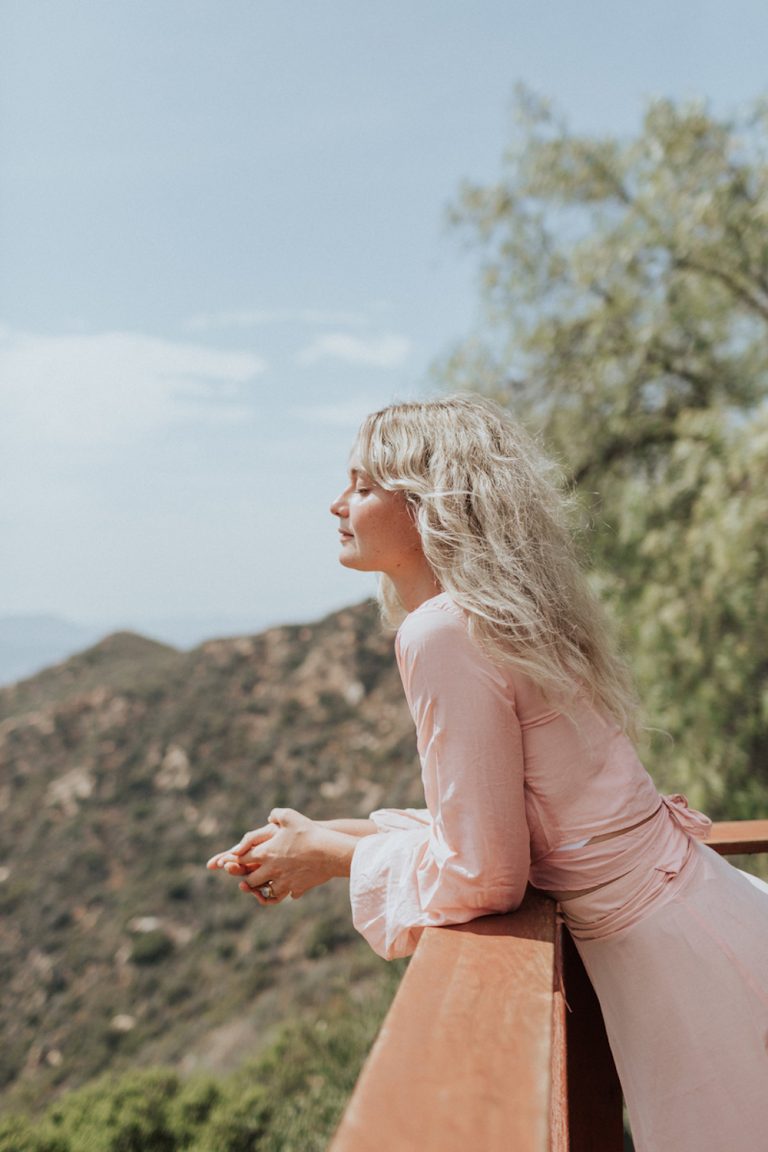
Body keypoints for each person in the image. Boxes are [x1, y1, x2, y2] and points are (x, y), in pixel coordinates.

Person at [208, 394, 768, 1152]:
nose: (337, 503)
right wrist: (328, 838)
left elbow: (487, 874)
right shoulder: (499, 613)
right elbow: (524, 819)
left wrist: (331, 859)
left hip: (684, 968)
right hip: (701, 922)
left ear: (427, 505)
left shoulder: (440, 633)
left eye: (364, 485)